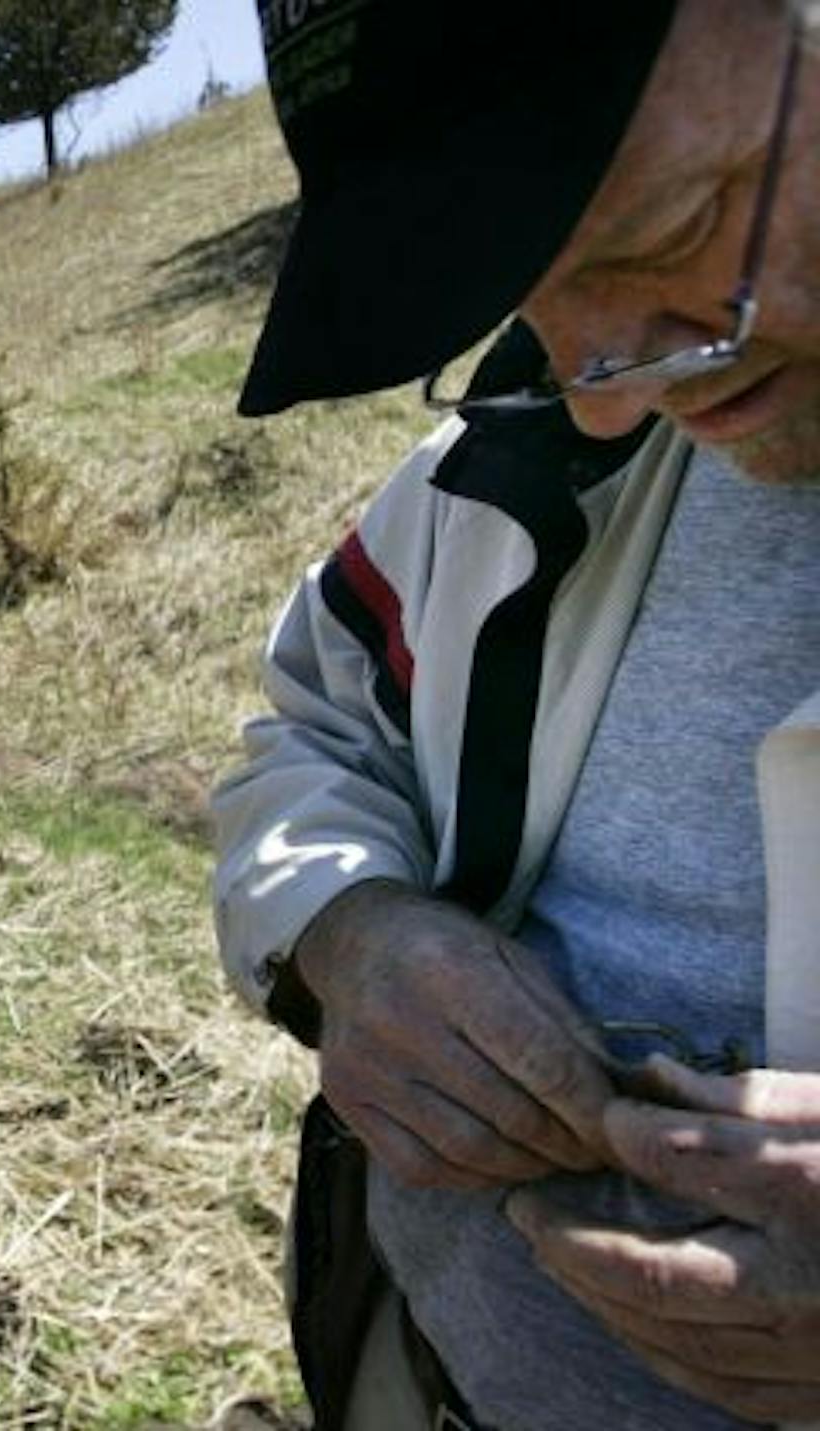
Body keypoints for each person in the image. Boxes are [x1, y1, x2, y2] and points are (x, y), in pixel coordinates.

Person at [211, 3, 820, 1427]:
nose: (607, 392)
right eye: (527, 288)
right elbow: (317, 727)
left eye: (671, 229)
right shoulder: (516, 458)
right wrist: (351, 933)